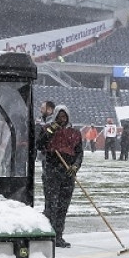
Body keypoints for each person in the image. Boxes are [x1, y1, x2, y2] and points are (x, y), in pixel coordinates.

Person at [38, 105, 83, 248]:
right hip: (51, 171)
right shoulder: (47, 129)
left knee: (63, 205)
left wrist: (75, 166)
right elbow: (40, 144)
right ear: (55, 116)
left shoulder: (75, 133)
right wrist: (51, 130)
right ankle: (48, 234)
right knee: (52, 204)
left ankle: (58, 235)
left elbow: (79, 153)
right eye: (59, 117)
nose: (62, 119)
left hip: (67, 172)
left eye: (64, 117)